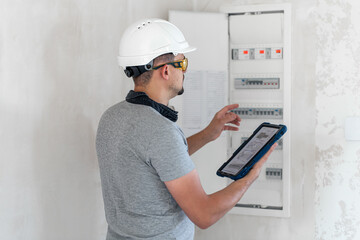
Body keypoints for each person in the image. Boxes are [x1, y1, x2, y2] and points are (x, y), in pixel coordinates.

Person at [96, 18, 277, 240]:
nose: (185, 71)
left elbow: (155, 160)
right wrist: (250, 175)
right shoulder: (159, 130)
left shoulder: (112, 117)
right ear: (165, 72)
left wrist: (208, 134)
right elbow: (205, 214)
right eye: (182, 64)